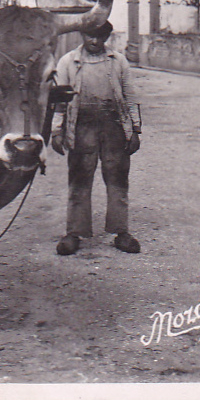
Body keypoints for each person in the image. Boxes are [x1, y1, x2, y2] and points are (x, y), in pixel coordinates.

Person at [50, 21, 142, 255]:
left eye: (100, 37)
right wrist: (57, 131)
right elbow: (60, 101)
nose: (94, 41)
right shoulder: (68, 62)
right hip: (82, 128)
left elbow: (130, 96)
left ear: (107, 37)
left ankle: (121, 232)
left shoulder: (118, 61)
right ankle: (74, 233)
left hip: (114, 128)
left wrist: (135, 130)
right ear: (83, 34)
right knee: (79, 180)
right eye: (90, 36)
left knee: (118, 180)